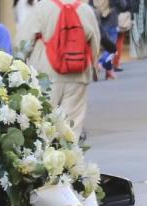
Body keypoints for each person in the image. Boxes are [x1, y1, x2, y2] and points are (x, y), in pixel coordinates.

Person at [16, 0, 102, 139]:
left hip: (45, 74)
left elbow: (24, 41)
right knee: (71, 126)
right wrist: (94, 70)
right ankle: (68, 156)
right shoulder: (85, 9)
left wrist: (20, 66)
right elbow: (95, 42)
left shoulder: (41, 8)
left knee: (43, 121)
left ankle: (48, 155)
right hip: (78, 73)